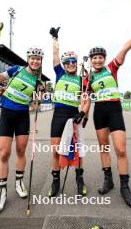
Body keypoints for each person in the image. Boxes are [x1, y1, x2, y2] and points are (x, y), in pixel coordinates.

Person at [88, 19, 131, 208]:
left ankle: (125, 186)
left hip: (114, 110)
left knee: (120, 149)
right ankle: (108, 179)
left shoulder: (112, 67)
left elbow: (125, 49)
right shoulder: (88, 77)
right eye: (94, 58)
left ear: (104, 58)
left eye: (100, 57)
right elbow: (85, 98)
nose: (98, 60)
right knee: (103, 148)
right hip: (99, 112)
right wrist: (82, 115)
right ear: (91, 60)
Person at [0, 47, 44, 213]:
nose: (35, 61)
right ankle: (2, 190)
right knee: (4, 153)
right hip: (7, 114)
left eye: (38, 59)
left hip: (22, 116)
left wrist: (39, 98)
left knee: (21, 150)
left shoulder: (39, 82)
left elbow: (35, 105)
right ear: (28, 58)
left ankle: (19, 182)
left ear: (41, 61)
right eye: (33, 58)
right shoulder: (16, 69)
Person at [48, 27, 90, 197]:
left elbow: (86, 101)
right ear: (64, 65)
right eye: (68, 62)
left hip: (74, 116)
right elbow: (55, 55)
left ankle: (80, 180)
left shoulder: (82, 80)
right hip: (58, 116)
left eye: (74, 61)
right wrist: (55, 39)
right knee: (56, 150)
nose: (71, 64)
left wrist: (83, 113)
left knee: (78, 151)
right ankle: (55, 181)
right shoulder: (59, 73)